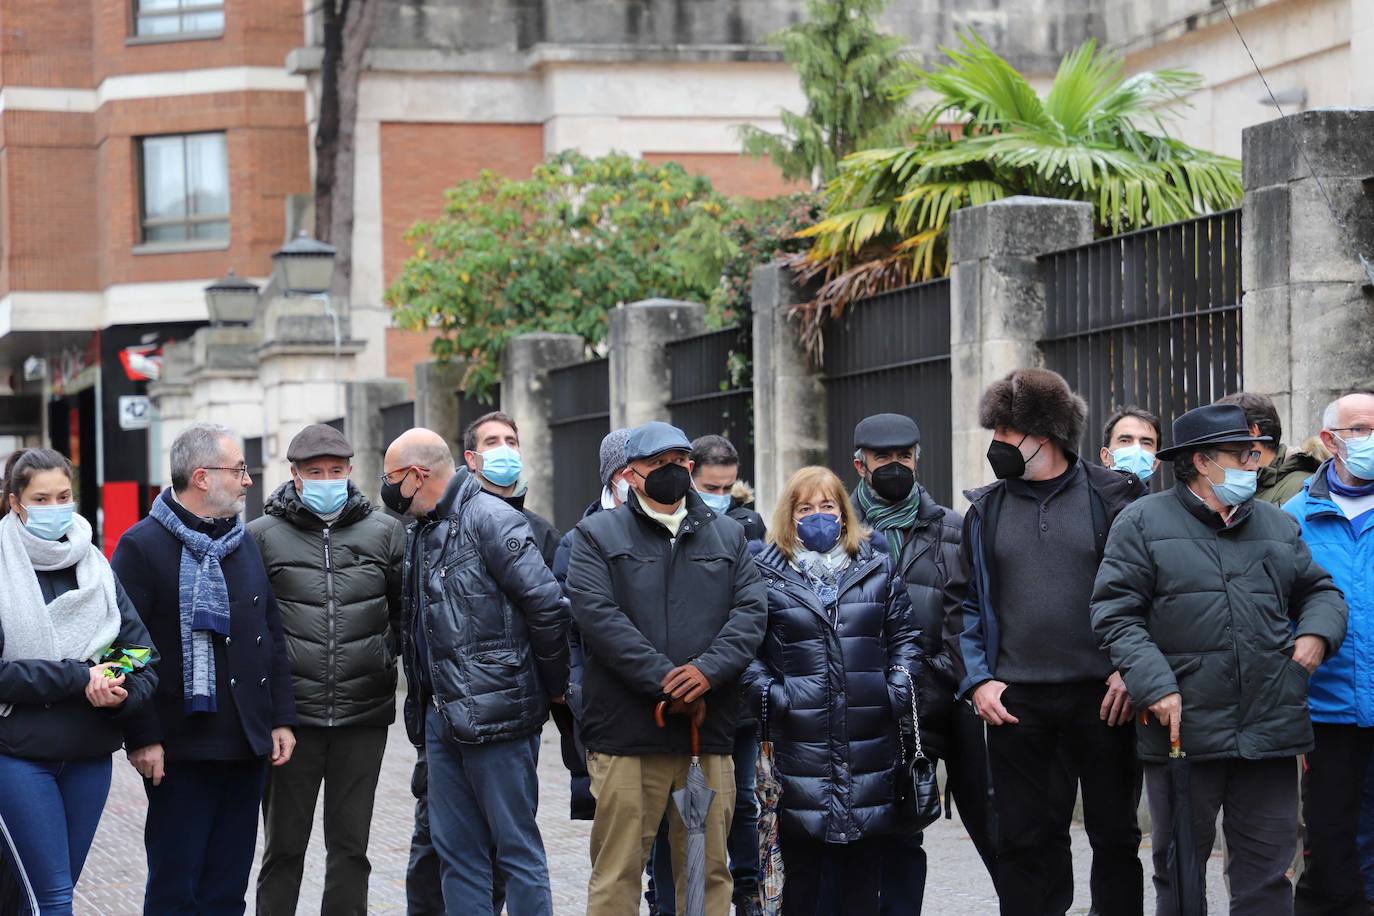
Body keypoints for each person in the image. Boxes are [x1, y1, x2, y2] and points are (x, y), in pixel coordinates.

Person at [1091, 402, 1348, 915]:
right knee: (1181, 871)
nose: (1254, 463)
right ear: (1202, 461)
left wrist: (1316, 638)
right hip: (1184, 728)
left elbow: (1320, 592)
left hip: (1270, 725)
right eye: (1241, 454)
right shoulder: (1141, 521)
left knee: (1269, 872)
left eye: (1254, 453)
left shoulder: (1275, 525)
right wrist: (1156, 684)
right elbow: (1115, 614)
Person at [959, 368, 1145, 916]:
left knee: (1115, 837)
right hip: (1016, 703)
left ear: (1045, 436)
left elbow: (1148, 591)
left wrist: (1129, 668)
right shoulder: (985, 510)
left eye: (1006, 433)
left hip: (1105, 697)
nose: (995, 445)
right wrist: (978, 681)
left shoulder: (1113, 498)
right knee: (1023, 840)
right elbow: (966, 604)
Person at [565, 421, 767, 916]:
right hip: (627, 734)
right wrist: (667, 681)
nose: (672, 473)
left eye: (679, 463)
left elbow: (750, 613)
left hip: (707, 734)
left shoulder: (730, 536)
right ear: (631, 475)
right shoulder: (595, 535)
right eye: (659, 465)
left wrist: (705, 673)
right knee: (617, 875)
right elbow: (598, 619)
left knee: (704, 874)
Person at [112, 423, 297, 915]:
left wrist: (280, 717)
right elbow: (123, 649)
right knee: (176, 887)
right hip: (180, 747)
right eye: (239, 470)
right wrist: (142, 735)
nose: (247, 481)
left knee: (227, 888)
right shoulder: (141, 545)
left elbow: (270, 635)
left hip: (246, 742)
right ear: (201, 476)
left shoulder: (241, 541)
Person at [383, 427, 569, 915]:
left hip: (500, 717)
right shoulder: (423, 530)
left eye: (390, 479)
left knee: (515, 850)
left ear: (416, 475)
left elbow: (547, 606)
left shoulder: (491, 518)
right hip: (443, 719)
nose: (387, 490)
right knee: (457, 854)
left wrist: (552, 690)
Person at [740, 465, 918, 915]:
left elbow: (906, 639)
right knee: (803, 883)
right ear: (789, 515)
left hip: (869, 746)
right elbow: (746, 651)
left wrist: (894, 690)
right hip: (799, 748)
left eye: (827, 506)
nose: (817, 516)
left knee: (863, 881)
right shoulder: (764, 573)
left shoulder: (876, 566)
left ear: (843, 512)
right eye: (805, 508)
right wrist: (775, 698)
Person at [250, 424, 405, 915]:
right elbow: (253, 629)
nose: (326, 480)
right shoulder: (260, 537)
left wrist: (381, 657)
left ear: (351, 471)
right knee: (283, 849)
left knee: (351, 849)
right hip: (292, 722)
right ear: (294, 475)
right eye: (314, 472)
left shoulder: (385, 531)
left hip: (364, 716)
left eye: (335, 471)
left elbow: (403, 613)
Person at [0, 448, 159, 914]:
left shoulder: (94, 564)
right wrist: (78, 676)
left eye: (64, 496)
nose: (56, 507)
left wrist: (114, 684)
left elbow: (139, 653)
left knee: (54, 891)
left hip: (89, 756)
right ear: (15, 502)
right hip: (20, 755)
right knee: (50, 897)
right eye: (41, 498)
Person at [643, 434, 766, 916]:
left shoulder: (745, 527)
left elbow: (752, 611)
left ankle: (747, 893)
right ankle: (664, 897)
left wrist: (715, 671)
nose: (722, 495)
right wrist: (679, 680)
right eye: (713, 485)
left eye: (730, 487)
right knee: (675, 813)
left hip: (734, 692)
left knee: (741, 805)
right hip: (677, 699)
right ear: (691, 475)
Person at [843, 413, 960, 913]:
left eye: (904, 456)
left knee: (907, 836)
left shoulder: (951, 529)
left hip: (922, 707)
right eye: (883, 457)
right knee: (856, 835)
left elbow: (966, 615)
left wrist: (932, 679)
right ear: (860, 464)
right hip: (852, 710)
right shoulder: (833, 529)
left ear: (918, 458)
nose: (895, 466)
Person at [1285, 391, 1374, 915]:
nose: (1371, 440)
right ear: (1330, 441)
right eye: (1361, 429)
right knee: (1329, 839)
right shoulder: (1293, 518)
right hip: (1326, 709)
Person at [462, 411, 560, 567]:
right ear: (472, 459)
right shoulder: (454, 524)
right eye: (492, 442)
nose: (504, 449)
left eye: (511, 442)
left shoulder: (544, 532)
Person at [1216, 391, 1321, 505]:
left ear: (1252, 431)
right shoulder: (1240, 485)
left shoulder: (1305, 487)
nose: (1217, 445)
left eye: (1224, 435)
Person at [1100, 406, 1162, 485]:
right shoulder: (1084, 496)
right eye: (1125, 441)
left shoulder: (1167, 498)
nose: (1136, 450)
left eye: (1146, 443)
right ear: (1105, 456)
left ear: (1155, 462)